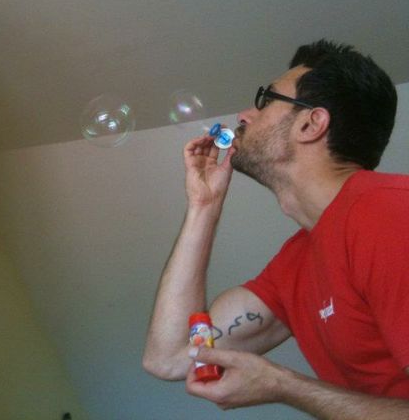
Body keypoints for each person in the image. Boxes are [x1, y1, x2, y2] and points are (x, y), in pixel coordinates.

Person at [143, 40, 409, 418]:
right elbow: (169, 357)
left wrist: (283, 385)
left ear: (310, 123)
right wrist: (204, 207)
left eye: (265, 99)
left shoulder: (392, 214)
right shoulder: (297, 260)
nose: (245, 114)